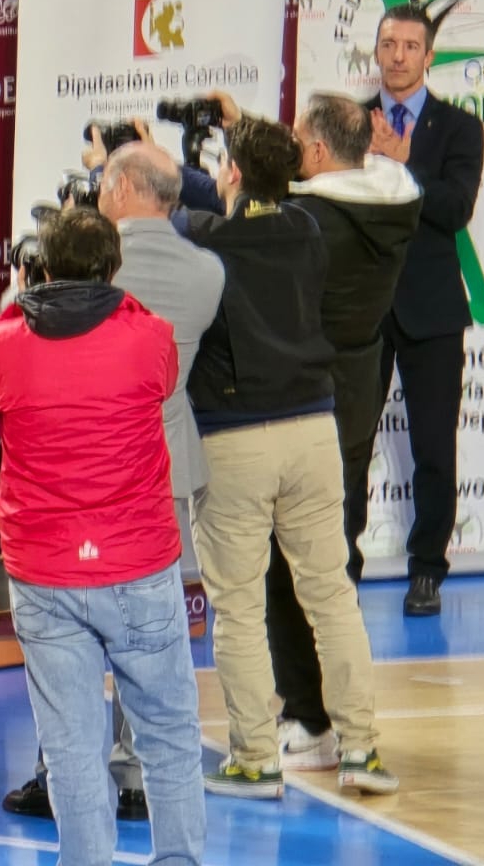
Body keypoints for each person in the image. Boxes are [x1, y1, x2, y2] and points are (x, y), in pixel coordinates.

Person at [0, 207, 205, 866]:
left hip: (45, 573)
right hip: (138, 563)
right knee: (169, 736)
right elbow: (162, 380)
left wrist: (17, 304)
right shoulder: (147, 334)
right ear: (112, 267)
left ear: (39, 266)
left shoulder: (6, 341)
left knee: (70, 746)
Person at [2, 142, 224, 826]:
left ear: (123, 188)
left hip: (74, 484)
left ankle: (59, 771)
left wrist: (29, 287)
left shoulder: (61, 291)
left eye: (104, 180)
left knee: (65, 649)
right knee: (153, 653)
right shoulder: (206, 273)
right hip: (164, 473)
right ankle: (132, 772)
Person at [184, 115, 397, 799]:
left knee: (240, 606)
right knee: (332, 596)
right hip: (312, 431)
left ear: (235, 175)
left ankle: (253, 756)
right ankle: (360, 751)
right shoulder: (308, 230)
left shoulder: (206, 240)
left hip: (234, 438)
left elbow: (179, 218)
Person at [267, 92, 421, 767]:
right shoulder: (397, 200)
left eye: (298, 138)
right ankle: (339, 717)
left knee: (285, 568)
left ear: (319, 151)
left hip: (299, 407)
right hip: (354, 402)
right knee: (337, 563)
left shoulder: (305, 221)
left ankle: (307, 722)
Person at [365, 4, 483, 616]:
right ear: (376, 51)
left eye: (412, 45)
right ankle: (340, 567)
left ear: (430, 55)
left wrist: (400, 161)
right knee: (347, 446)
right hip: (359, 310)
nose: (400, 55)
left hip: (433, 311)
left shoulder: (460, 129)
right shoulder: (347, 124)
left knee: (436, 448)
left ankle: (428, 570)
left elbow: (453, 208)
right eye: (390, 44)